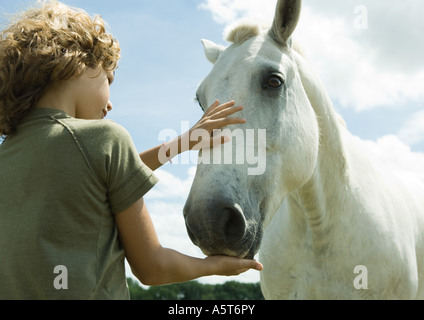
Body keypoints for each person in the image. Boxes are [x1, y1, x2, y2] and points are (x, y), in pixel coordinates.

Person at [0, 1, 262, 300]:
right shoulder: (105, 138)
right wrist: (212, 266)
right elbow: (152, 268)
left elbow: (100, 176)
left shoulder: (9, 154)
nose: (110, 103)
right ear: (78, 61)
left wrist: (181, 143)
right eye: (109, 79)